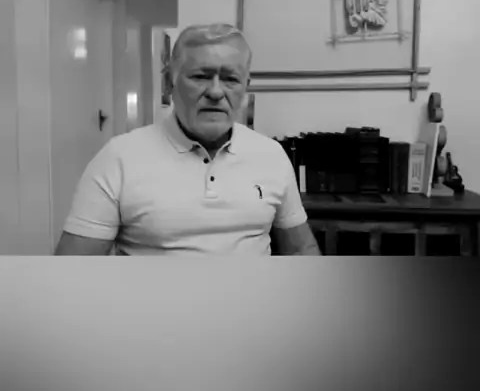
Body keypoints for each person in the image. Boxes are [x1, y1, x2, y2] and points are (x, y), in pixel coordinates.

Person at [55, 23, 321, 256]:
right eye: (200, 77)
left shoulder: (272, 156)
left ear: (245, 87)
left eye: (230, 79)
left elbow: (300, 249)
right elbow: (74, 270)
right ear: (169, 83)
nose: (216, 92)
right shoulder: (118, 159)